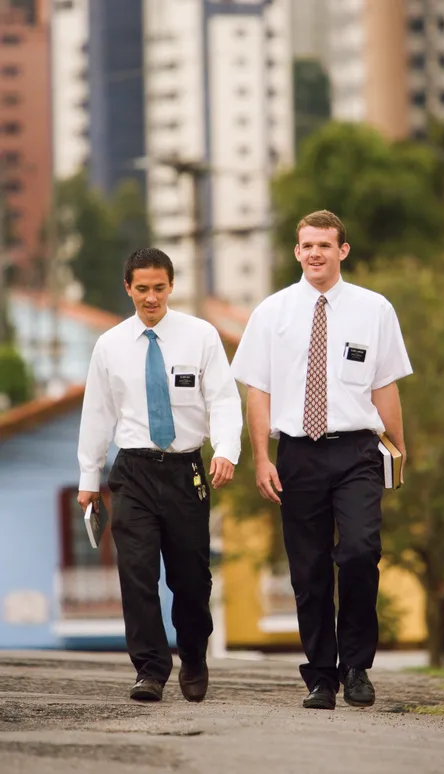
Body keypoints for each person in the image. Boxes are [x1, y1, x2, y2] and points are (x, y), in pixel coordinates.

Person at [231, 210, 412, 711]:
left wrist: (398, 449)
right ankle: (320, 677)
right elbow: (257, 390)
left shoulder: (374, 309)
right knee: (308, 570)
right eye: (307, 245)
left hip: (357, 450)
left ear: (343, 251)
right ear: (296, 252)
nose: (315, 253)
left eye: (325, 245)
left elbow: (386, 385)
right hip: (297, 455)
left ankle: (357, 668)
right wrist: (262, 459)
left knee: (358, 551)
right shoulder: (272, 312)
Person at [77, 247, 242, 703]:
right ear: (128, 288)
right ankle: (150, 668)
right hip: (132, 472)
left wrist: (226, 450)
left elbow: (225, 399)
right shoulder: (109, 345)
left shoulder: (201, 336)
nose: (151, 298)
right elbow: (97, 414)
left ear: (172, 286)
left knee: (190, 578)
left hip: (185, 471)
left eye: (159, 288)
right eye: (142, 289)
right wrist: (89, 478)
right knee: (136, 572)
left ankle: (193, 654)